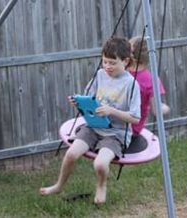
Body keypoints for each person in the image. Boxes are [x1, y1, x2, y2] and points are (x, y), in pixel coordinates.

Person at [39, 37, 141, 204]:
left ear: (125, 61)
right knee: (71, 153)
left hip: (116, 133)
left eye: (112, 63)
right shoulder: (100, 75)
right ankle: (59, 185)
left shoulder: (131, 84)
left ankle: (101, 186)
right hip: (94, 127)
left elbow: (135, 118)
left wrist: (112, 111)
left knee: (100, 164)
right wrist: (78, 103)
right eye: (104, 62)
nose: (107, 66)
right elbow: (90, 99)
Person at [128, 36, 170, 141]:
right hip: (132, 130)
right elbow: (156, 110)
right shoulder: (151, 80)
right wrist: (166, 108)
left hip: (112, 122)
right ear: (150, 57)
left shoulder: (120, 72)